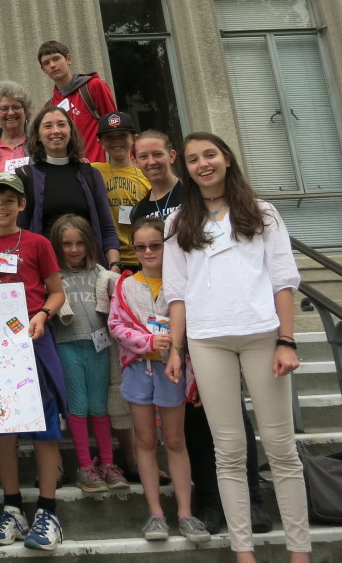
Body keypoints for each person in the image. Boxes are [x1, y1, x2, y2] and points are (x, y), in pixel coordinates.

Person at [164, 132, 310, 563]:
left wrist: (287, 339)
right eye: (192, 159)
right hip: (208, 340)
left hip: (263, 334)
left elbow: (284, 280)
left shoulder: (262, 212)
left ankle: (299, 552)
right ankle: (243, 552)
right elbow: (176, 293)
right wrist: (176, 348)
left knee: (282, 449)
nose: (202, 164)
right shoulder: (178, 222)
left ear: (226, 157)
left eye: (209, 154)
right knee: (228, 451)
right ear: (185, 168)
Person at [0, 172, 66, 552]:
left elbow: (56, 292)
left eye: (9, 200)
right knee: (2, 428)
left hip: (33, 344)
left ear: (22, 204)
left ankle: (48, 510)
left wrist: (42, 315)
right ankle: (12, 507)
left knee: (43, 426)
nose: (1, 206)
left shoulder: (37, 243)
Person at [108, 217, 210, 544]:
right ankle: (155, 513)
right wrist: (146, 343)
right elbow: (116, 325)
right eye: (141, 246)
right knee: (145, 441)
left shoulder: (181, 284)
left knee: (176, 440)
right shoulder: (125, 285)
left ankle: (185, 512)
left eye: (155, 245)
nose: (148, 251)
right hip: (138, 370)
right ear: (133, 249)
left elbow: (195, 324)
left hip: (173, 371)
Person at [49, 215, 125, 494]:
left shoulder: (101, 274)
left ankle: (108, 463)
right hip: (68, 346)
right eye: (67, 244)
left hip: (99, 347)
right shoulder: (54, 276)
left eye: (80, 243)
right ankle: (84, 465)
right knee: (78, 407)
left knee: (99, 406)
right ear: (57, 245)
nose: (74, 249)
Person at [17, 106, 120, 269]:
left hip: (90, 270)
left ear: (71, 132)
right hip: (46, 273)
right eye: (48, 126)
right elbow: (20, 232)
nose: (56, 131)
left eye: (61, 124)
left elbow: (106, 227)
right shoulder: (25, 176)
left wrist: (114, 265)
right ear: (37, 136)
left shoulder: (91, 175)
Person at [38, 41, 116, 164]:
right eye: (46, 63)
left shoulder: (93, 86)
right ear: (43, 70)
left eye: (56, 59)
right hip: (69, 174)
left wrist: (129, 158)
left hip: (99, 169)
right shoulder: (48, 108)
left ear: (68, 59)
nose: (52, 65)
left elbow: (115, 124)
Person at [93, 112, 150, 272]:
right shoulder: (93, 171)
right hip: (108, 258)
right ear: (100, 142)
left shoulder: (146, 174)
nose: (116, 141)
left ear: (134, 139)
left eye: (122, 135)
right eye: (109, 137)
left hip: (142, 257)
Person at [129, 130, 181, 222]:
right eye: (143, 156)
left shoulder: (194, 193)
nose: (151, 162)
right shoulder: (137, 212)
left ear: (171, 156)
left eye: (157, 154)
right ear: (136, 162)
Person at [0, 82, 33, 174]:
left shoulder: (39, 141)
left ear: (25, 111)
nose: (10, 113)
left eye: (16, 107)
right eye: (4, 108)